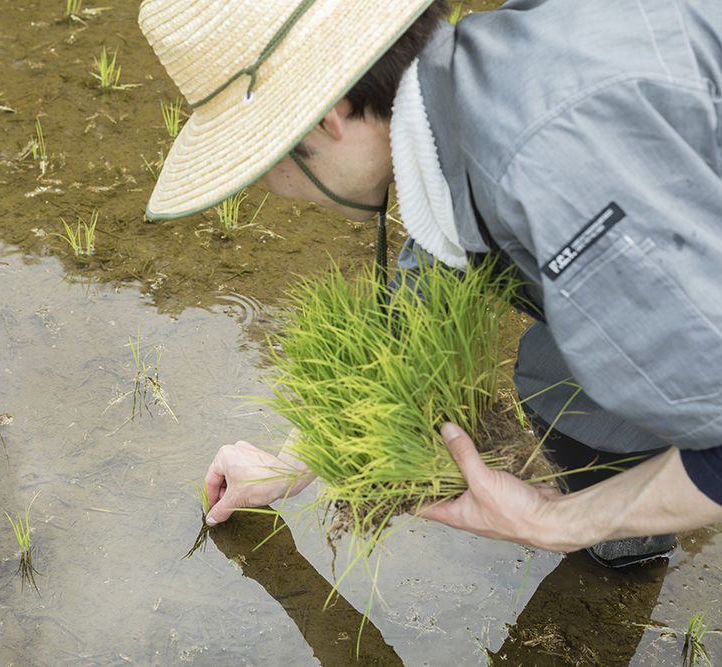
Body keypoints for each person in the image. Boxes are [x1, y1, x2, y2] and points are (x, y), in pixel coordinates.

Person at [137, 0, 722, 566]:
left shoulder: (545, 168)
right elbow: (415, 310)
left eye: (258, 161)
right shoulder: (466, 91)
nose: (271, 187)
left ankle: (638, 518)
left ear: (325, 118)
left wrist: (557, 523)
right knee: (556, 374)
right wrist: (297, 459)